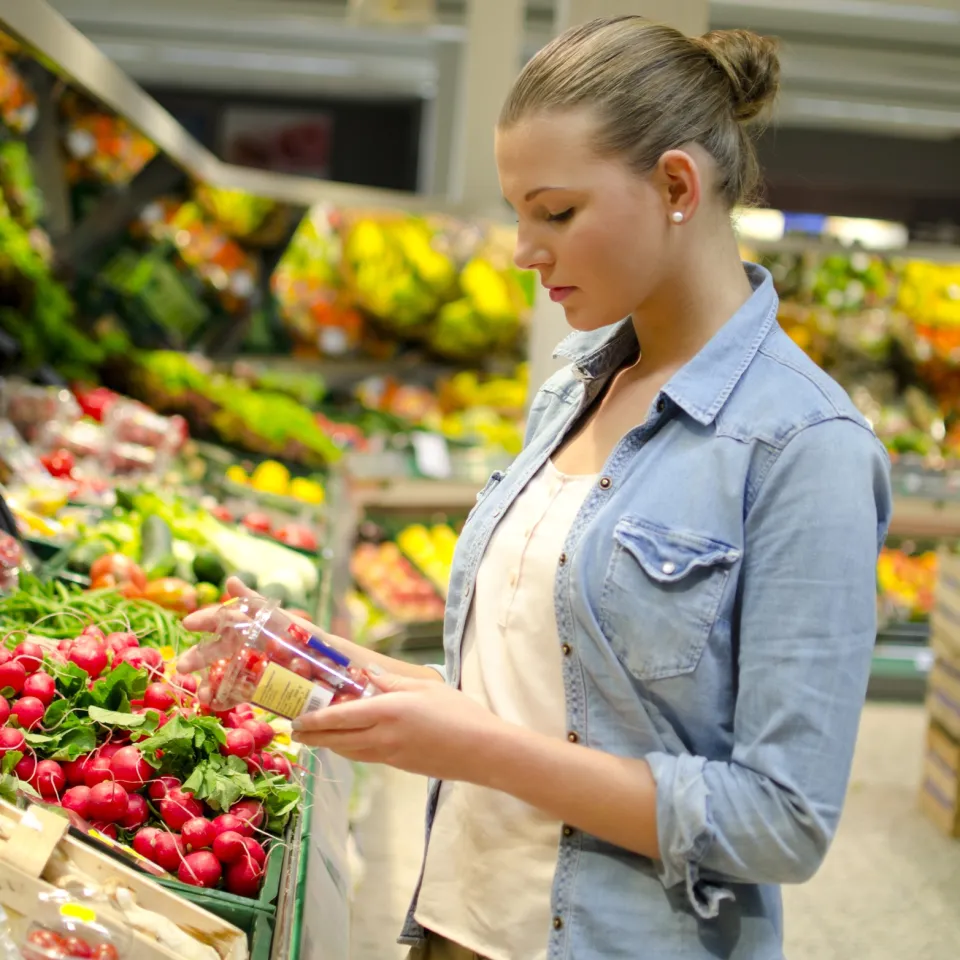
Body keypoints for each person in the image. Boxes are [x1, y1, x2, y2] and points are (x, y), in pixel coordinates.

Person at [182, 16, 892, 960]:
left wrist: (470, 749)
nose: (523, 248)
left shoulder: (805, 447)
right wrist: (326, 661)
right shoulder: (572, 387)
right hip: (455, 928)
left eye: (555, 212)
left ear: (678, 185)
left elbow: (781, 822)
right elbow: (535, 701)